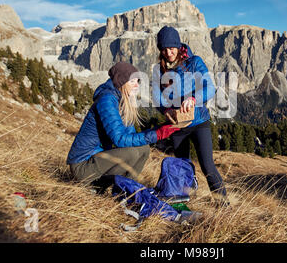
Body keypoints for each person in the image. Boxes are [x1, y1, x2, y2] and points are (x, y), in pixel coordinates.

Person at [67, 61, 182, 193]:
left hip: (97, 160)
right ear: (122, 81)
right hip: (82, 166)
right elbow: (120, 140)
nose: (137, 85)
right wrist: (156, 134)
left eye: (138, 81)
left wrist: (161, 129)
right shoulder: (107, 100)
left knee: (143, 149)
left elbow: (131, 138)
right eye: (133, 81)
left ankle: (126, 190)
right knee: (131, 153)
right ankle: (100, 187)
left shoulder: (122, 101)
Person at [152, 26, 229, 206]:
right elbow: (157, 98)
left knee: (207, 166)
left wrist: (194, 99)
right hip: (177, 125)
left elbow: (210, 88)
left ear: (179, 47)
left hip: (199, 121)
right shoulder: (159, 70)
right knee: (181, 166)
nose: (168, 52)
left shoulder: (194, 62)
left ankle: (224, 205)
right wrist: (166, 110)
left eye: (172, 48)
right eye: (164, 49)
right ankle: (184, 203)